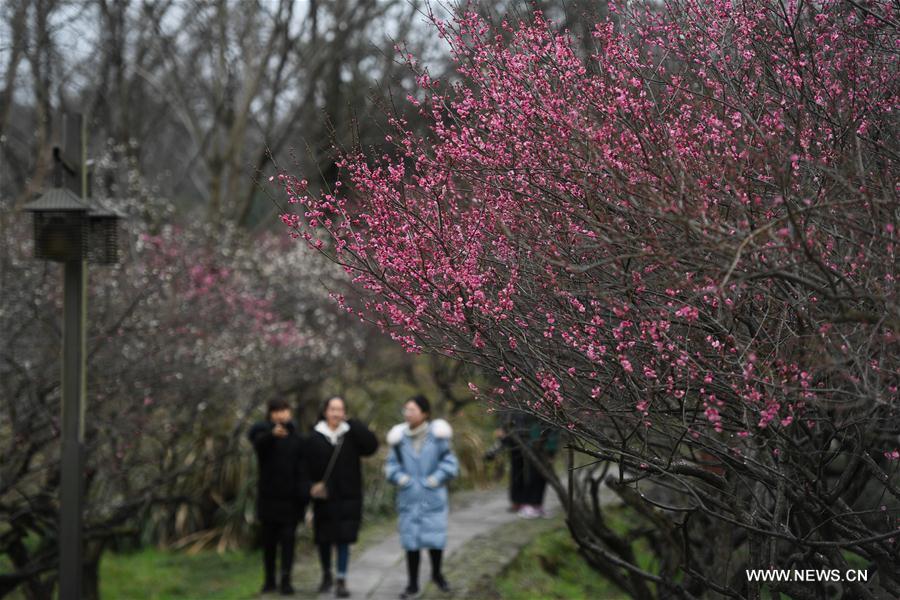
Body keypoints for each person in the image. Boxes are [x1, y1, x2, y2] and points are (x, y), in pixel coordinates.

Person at [385, 395, 459, 599]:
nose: (408, 414)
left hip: (433, 496)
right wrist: (402, 479)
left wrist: (435, 479)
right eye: (406, 410)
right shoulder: (398, 440)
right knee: (411, 543)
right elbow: (391, 466)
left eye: (412, 410)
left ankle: (437, 574)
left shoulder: (438, 436)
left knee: (435, 539)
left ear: (424, 413)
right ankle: (412, 584)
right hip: (409, 497)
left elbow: (450, 463)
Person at [306, 396, 379, 598]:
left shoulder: (351, 434)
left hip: (349, 496)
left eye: (340, 409)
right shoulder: (314, 437)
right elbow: (306, 468)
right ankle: (326, 575)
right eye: (332, 409)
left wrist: (353, 424)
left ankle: (341, 579)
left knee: (344, 540)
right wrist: (310, 488)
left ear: (345, 412)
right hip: (324, 498)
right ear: (325, 411)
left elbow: (372, 446)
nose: (336, 413)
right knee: (324, 539)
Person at [248, 399, 309, 595]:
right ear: (270, 414)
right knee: (269, 543)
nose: (281, 415)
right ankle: (269, 580)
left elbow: (302, 468)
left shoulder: (297, 438)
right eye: (276, 411)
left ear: (289, 412)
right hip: (268, 499)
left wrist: (304, 496)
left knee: (289, 541)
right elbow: (257, 445)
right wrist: (271, 436)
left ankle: (286, 580)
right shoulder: (262, 434)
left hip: (291, 500)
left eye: (284, 410)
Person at [498, 412, 559, 518]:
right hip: (530, 439)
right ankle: (528, 504)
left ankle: (535, 504)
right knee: (529, 473)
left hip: (536, 438)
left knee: (538, 474)